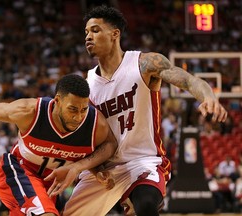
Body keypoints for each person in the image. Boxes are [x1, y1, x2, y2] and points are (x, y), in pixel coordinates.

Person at [58, 5, 228, 216]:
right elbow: (90, 138)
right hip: (106, 167)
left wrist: (209, 96)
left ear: (114, 34)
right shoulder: (88, 84)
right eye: (86, 32)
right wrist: (97, 170)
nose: (88, 37)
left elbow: (189, 80)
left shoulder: (144, 64)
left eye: (95, 30)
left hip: (142, 162)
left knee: (146, 205)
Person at [0, 74, 118, 216]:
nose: (78, 117)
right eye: (73, 109)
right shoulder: (30, 112)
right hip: (19, 170)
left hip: (50, 185)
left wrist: (92, 169)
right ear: (58, 101)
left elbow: (109, 144)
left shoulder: (94, 124)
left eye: (83, 109)